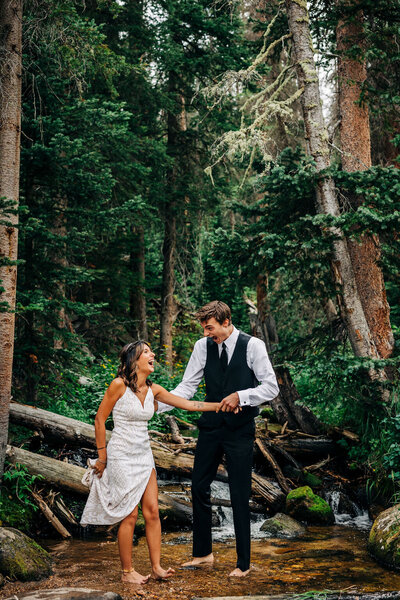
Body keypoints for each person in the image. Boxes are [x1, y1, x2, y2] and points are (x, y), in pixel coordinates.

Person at [80, 340, 222, 587]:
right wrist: (102, 457)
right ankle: (127, 571)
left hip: (144, 455)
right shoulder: (118, 386)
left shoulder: (154, 390)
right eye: (147, 352)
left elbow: (189, 404)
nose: (152, 354)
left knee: (153, 512)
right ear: (134, 359)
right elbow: (100, 420)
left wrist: (221, 406)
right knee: (130, 514)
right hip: (121, 455)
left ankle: (156, 568)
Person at [157, 300, 279, 577]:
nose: (206, 333)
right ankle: (203, 554)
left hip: (240, 429)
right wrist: (154, 405)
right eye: (204, 328)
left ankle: (243, 565)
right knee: (199, 486)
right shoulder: (203, 347)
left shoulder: (253, 346)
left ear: (226, 322)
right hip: (211, 427)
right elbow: (187, 386)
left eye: (209, 328)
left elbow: (271, 387)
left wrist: (242, 396)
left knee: (238, 493)